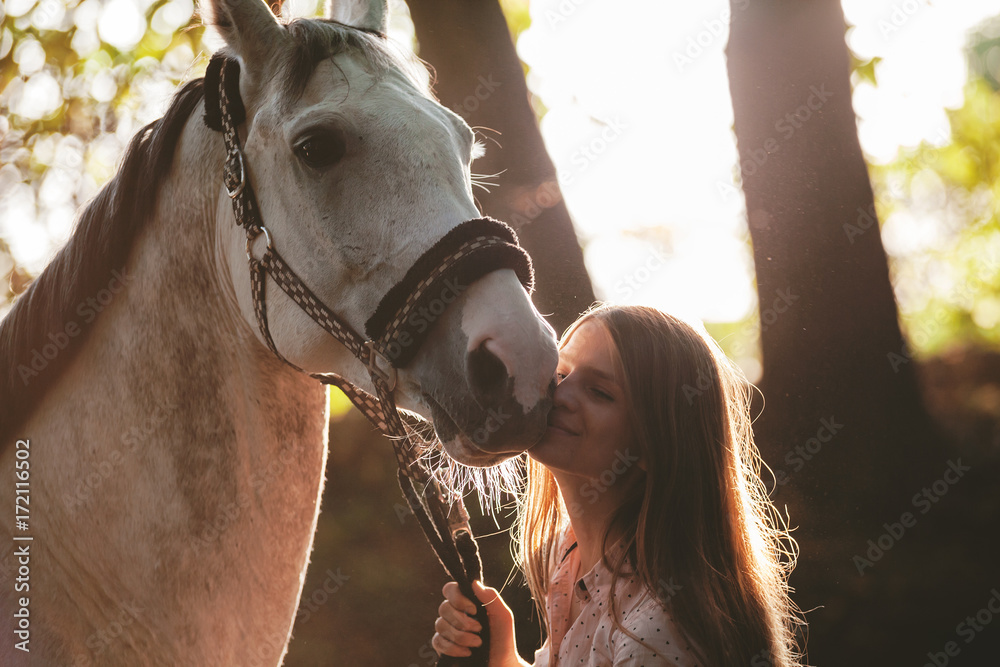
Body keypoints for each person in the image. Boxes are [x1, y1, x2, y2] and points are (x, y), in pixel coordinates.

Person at [431, 304, 805, 666]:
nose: (558, 395)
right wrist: (503, 659)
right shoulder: (573, 558)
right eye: (559, 374)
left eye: (600, 392)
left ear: (654, 443)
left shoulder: (655, 638)